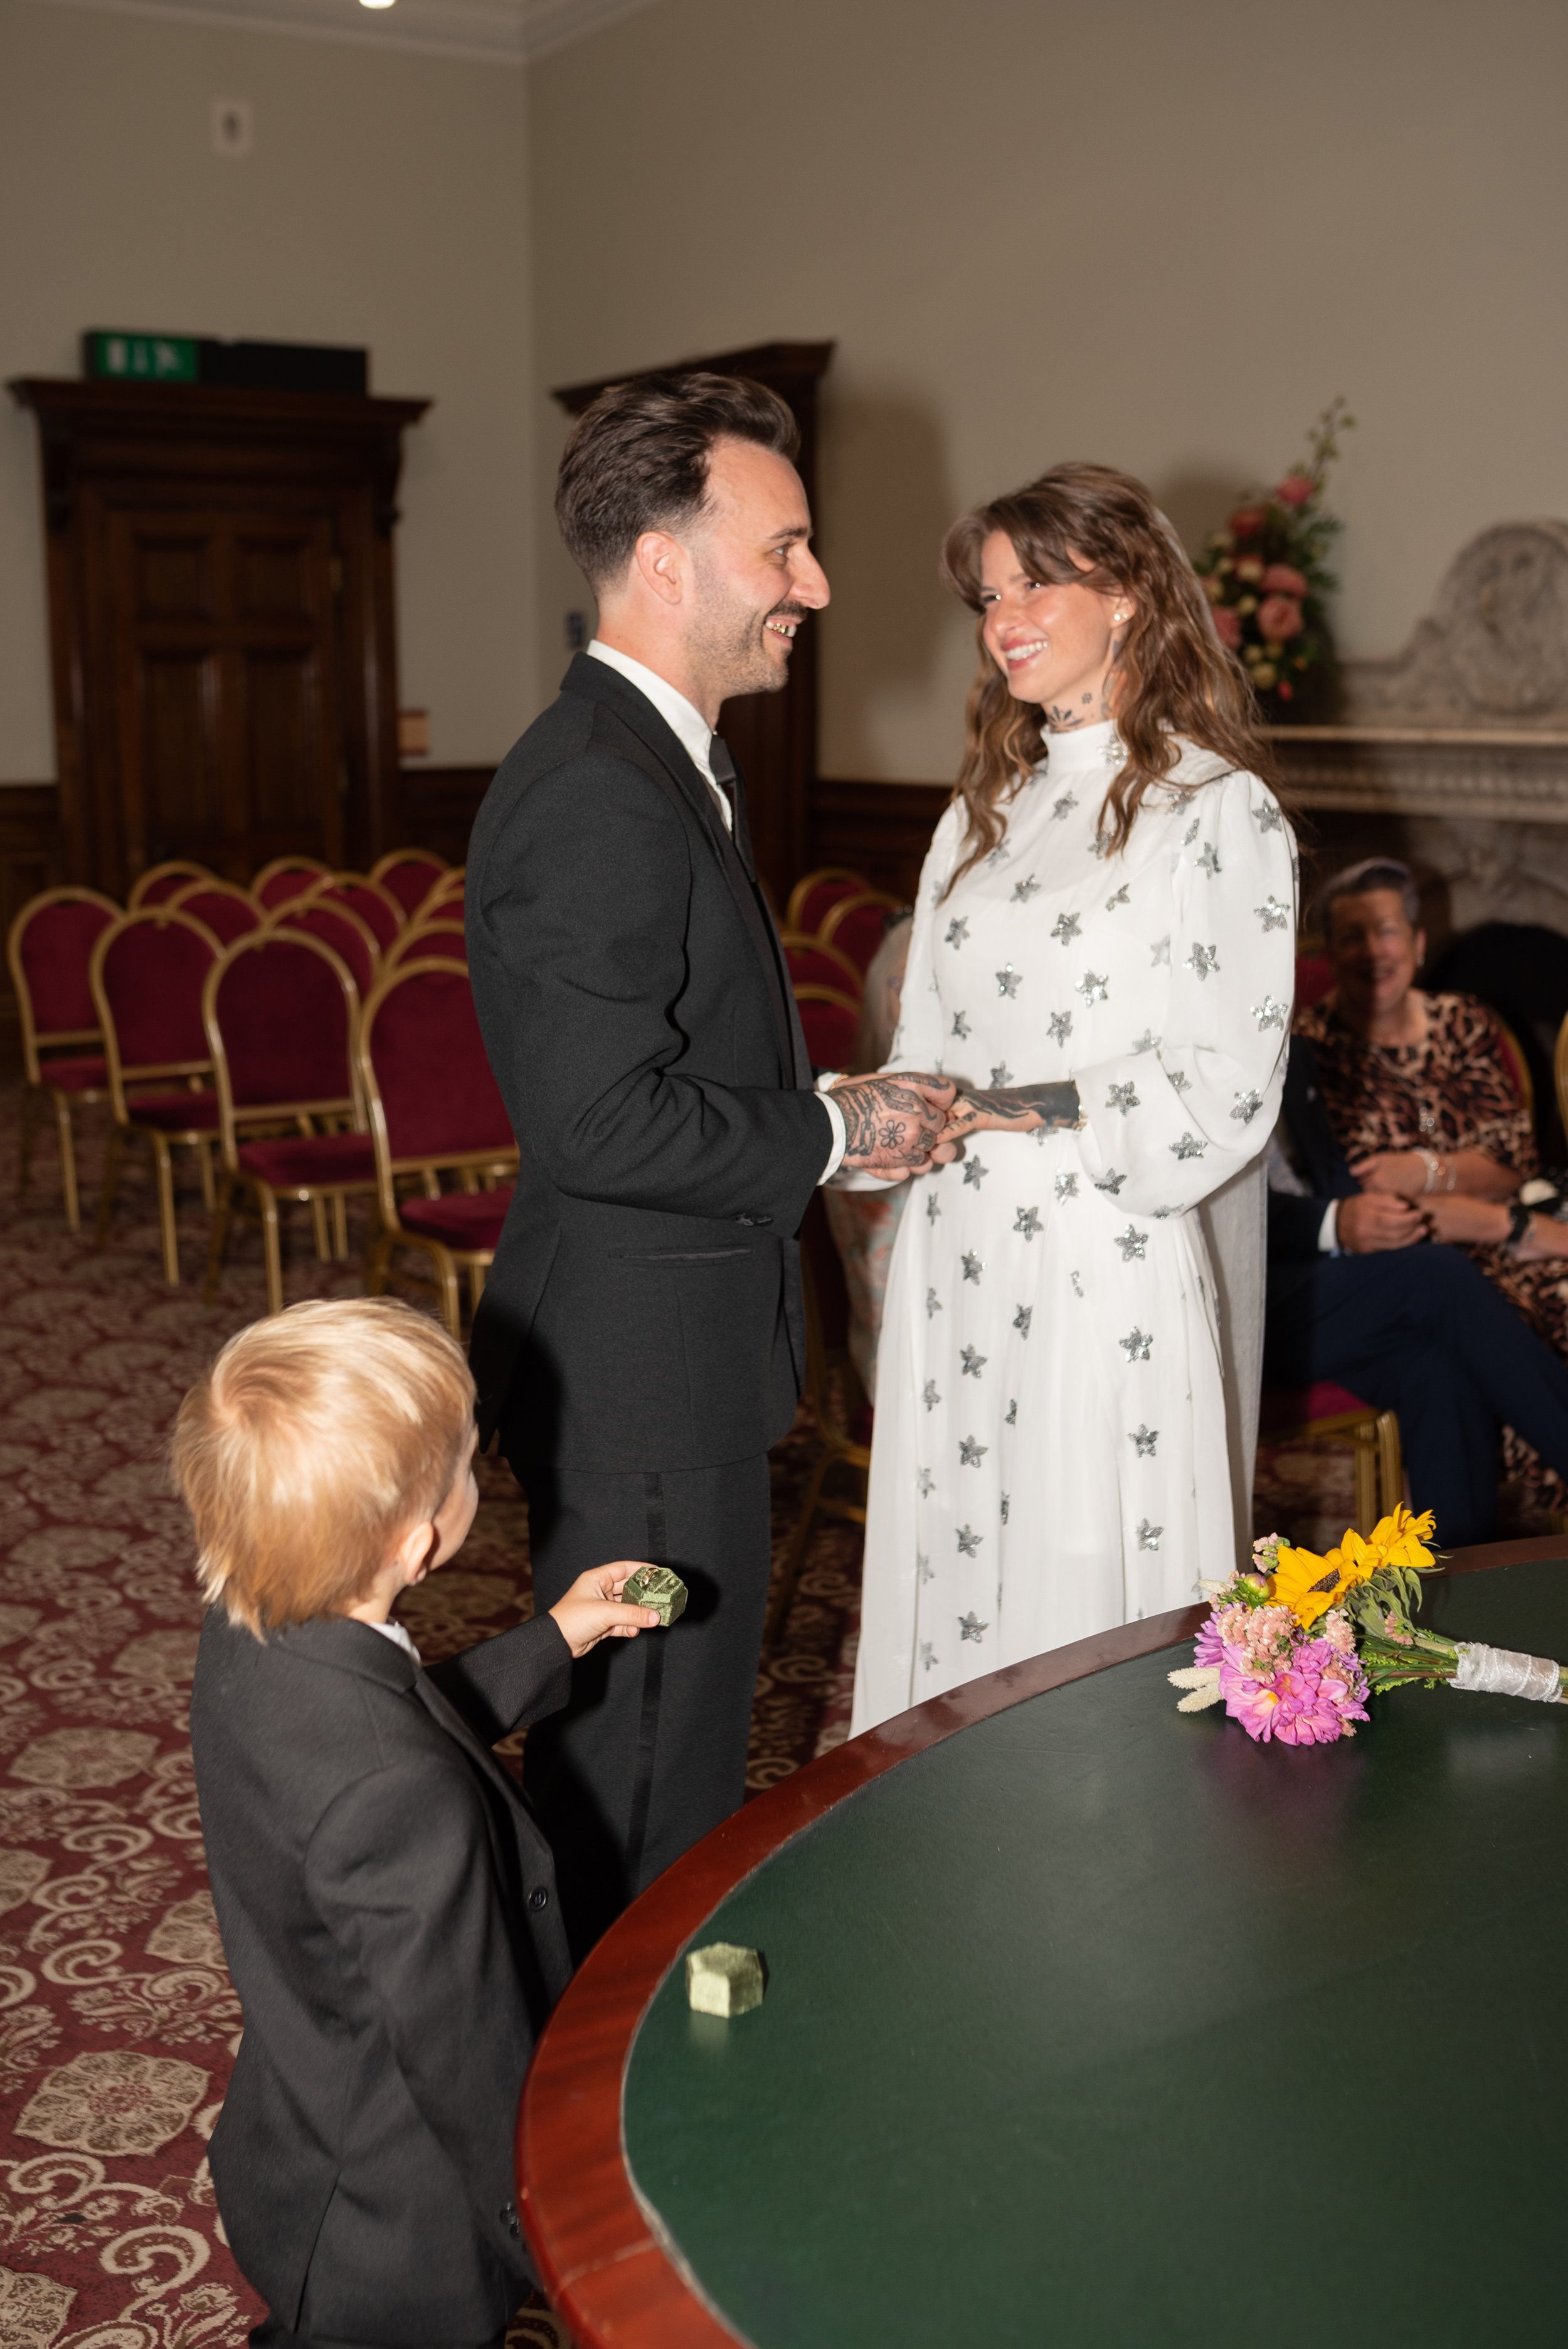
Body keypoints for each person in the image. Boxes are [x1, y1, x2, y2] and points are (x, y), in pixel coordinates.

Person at [465, 372, 955, 1953]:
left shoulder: (657, 755)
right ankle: (586, 2140)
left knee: (656, 1749)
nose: (814, 585)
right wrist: (832, 1130)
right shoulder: (603, 784)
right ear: (666, 562)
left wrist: (819, 1097)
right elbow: (599, 1122)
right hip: (639, 1377)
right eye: (786, 549)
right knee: (645, 1771)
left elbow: (655, 1067)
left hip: (650, 1354)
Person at [850, 462, 1296, 1734]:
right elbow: (921, 1043)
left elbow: (1221, 1086)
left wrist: (1017, 1112)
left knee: (1071, 1564)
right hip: (956, 1254)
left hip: (1099, 1256)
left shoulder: (1215, 814)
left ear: (1132, 595)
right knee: (955, 1547)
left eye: (1037, 581)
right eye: (989, 595)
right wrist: (843, 1121)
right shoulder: (980, 812)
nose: (1003, 618)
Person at [181, 1298, 660, 2349]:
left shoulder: (252, 1633)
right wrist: (556, 2237)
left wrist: (554, 1640)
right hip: (402, 2236)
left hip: (304, 2136)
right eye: (466, 1464)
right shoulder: (397, 1799)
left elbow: (391, 1720)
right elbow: (466, 2050)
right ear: (423, 1541)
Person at [1296, 857, 1568, 1507]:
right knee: (1502, 1311)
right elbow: (1374, 1210)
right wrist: (1490, 1202)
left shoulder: (1464, 1021)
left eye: (1386, 931)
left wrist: (1425, 1170)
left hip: (1500, 1236)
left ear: (1418, 943)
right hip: (1422, 1262)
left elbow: (1514, 1159)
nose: (1371, 952)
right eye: (1350, 937)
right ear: (1328, 954)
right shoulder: (1314, 1050)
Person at [1268, 1033, 1568, 1542]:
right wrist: (1335, 1222)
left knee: (1433, 1361)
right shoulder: (1189, 1071)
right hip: (1235, 1306)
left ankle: (1465, 1586)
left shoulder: (1292, 1055)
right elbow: (1220, 1224)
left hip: (1321, 1284)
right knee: (1435, 1276)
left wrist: (1381, 1217)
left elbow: (1329, 1180)